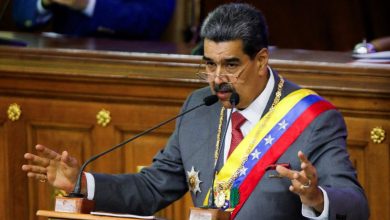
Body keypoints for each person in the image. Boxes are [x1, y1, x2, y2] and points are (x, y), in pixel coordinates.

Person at [22, 3, 369, 219]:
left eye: (231, 65)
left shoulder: (312, 119)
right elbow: (152, 188)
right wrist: (82, 182)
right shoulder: (198, 108)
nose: (217, 80)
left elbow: (355, 205)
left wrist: (315, 197)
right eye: (209, 65)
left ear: (261, 60)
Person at [12, 0, 176, 40]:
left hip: (123, 68)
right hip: (57, 63)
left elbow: (154, 20)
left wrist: (88, 5)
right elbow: (21, 14)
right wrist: (44, 2)